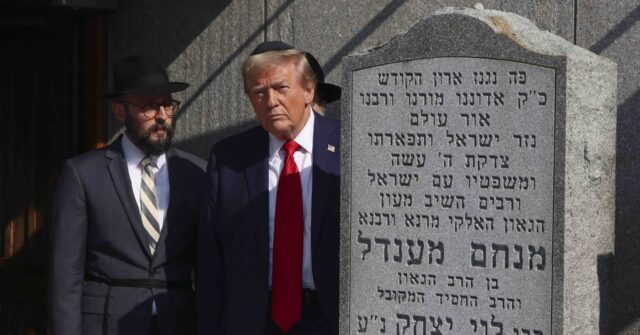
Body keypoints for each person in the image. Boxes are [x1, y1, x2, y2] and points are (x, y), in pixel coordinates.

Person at [49, 55, 205, 335]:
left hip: (179, 322)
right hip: (107, 323)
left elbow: (209, 268)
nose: (161, 116)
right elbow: (65, 275)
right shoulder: (83, 173)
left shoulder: (197, 172)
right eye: (148, 106)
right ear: (120, 111)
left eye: (167, 105)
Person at [197, 41, 340, 334]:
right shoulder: (229, 158)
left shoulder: (349, 145)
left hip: (330, 316)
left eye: (281, 88)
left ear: (309, 91)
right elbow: (211, 259)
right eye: (259, 93)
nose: (271, 101)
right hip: (253, 319)